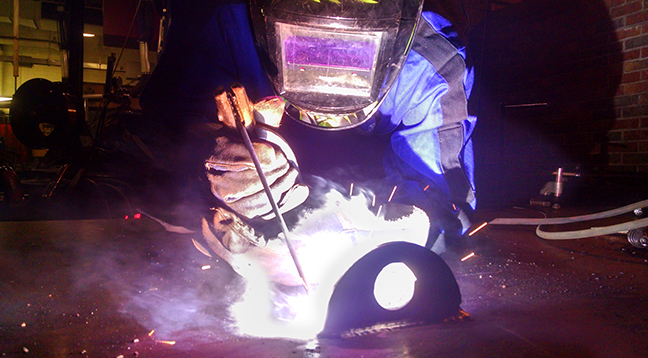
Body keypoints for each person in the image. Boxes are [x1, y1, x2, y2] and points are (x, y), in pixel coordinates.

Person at [138, 0, 477, 255]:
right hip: (257, 198)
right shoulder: (226, 22)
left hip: (366, 188)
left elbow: (445, 198)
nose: (332, 71)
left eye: (351, 62)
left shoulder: (429, 61)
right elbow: (166, 131)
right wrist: (213, 158)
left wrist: (414, 221)